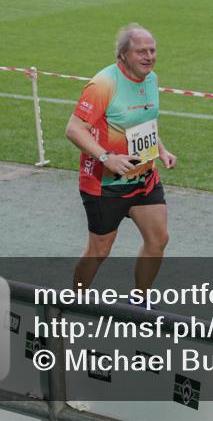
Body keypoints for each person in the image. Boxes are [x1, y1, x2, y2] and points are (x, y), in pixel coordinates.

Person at [65, 23, 177, 296]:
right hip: (106, 184)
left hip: (144, 178)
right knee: (100, 250)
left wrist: (161, 149)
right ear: (123, 54)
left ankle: (140, 300)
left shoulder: (151, 79)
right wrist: (107, 158)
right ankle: (69, 301)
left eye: (152, 50)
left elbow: (144, 120)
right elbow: (74, 129)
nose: (149, 56)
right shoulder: (103, 84)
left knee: (158, 240)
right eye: (141, 51)